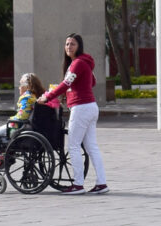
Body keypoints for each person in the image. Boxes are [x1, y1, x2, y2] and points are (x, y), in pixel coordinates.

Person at [37, 33, 109, 195]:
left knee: (74, 146)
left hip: (82, 108)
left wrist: (48, 96)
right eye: (67, 44)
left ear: (79, 46)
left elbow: (66, 83)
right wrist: (70, 91)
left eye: (73, 44)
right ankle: (101, 183)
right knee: (91, 147)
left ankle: (77, 185)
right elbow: (92, 82)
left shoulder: (77, 63)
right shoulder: (85, 63)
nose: (69, 47)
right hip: (90, 107)